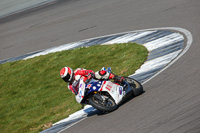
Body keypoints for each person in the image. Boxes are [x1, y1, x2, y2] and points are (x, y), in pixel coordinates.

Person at [60, 67, 124, 95]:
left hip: (93, 81)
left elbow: (90, 72)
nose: (67, 79)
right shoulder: (70, 86)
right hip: (87, 90)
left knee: (99, 74)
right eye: (65, 78)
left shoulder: (78, 71)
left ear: (70, 72)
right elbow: (76, 94)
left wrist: (89, 77)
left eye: (67, 77)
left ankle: (116, 77)